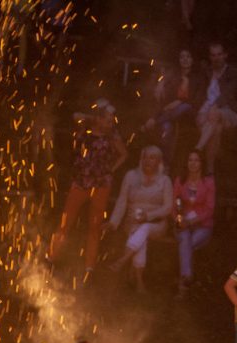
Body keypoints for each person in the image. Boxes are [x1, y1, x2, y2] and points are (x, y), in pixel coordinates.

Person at [47, 98, 127, 282]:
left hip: (101, 185)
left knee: (94, 226)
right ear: (98, 118)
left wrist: (110, 170)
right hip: (81, 182)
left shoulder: (112, 135)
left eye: (111, 119)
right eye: (107, 118)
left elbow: (124, 154)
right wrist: (95, 117)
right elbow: (75, 116)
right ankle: (51, 257)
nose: (110, 122)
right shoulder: (86, 127)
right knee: (66, 221)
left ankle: (89, 268)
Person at [105, 145, 174, 293]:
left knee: (144, 228)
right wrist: (113, 222)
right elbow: (122, 200)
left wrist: (148, 216)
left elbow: (168, 207)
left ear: (159, 161)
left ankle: (125, 261)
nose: (148, 160)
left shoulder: (165, 180)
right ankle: (138, 281)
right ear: (141, 159)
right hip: (132, 222)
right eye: (145, 157)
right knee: (139, 232)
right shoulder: (131, 176)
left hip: (157, 225)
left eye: (152, 158)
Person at [142, 49, 202, 168]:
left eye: (188, 56)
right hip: (171, 114)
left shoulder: (198, 77)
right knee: (166, 128)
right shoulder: (174, 77)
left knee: (184, 106)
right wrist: (162, 86)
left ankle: (154, 121)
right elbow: (166, 100)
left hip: (190, 112)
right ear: (179, 60)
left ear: (192, 59)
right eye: (182, 57)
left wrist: (180, 101)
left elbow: (198, 99)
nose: (185, 59)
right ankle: (165, 165)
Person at [171, 149, 215, 296]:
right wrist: (180, 220)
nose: (193, 163)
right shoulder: (180, 180)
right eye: (190, 160)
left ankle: (183, 284)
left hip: (202, 225)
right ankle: (187, 279)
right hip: (182, 225)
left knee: (186, 244)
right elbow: (174, 205)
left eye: (196, 160)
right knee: (185, 239)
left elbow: (209, 209)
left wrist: (191, 222)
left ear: (202, 163)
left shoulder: (209, 182)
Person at [194, 41, 237, 174]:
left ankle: (197, 149)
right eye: (213, 55)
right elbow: (201, 93)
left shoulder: (233, 73)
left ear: (225, 55)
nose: (217, 58)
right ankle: (210, 171)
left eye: (219, 54)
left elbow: (228, 94)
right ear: (210, 57)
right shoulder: (207, 72)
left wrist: (214, 107)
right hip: (209, 112)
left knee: (215, 114)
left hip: (228, 112)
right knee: (216, 129)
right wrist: (200, 110)